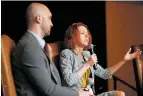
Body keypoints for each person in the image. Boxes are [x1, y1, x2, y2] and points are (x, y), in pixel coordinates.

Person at [11, 3, 91, 96]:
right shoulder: (29, 47)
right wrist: (78, 93)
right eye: (49, 18)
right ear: (39, 19)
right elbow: (49, 90)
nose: (52, 24)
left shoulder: (34, 44)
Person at [59, 22, 142, 96]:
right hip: (76, 94)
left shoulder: (87, 55)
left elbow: (104, 74)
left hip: (90, 93)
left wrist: (124, 60)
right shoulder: (66, 54)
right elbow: (69, 81)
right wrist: (88, 64)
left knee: (120, 94)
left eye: (87, 33)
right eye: (82, 33)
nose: (87, 35)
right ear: (72, 37)